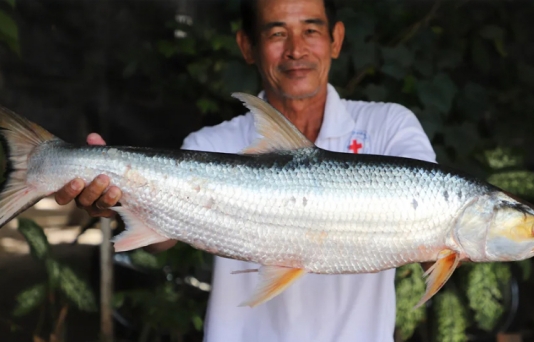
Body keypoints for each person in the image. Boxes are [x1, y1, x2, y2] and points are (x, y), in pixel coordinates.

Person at [54, 0, 436, 341]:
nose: (296, 50)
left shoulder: (391, 126)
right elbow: (162, 236)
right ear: (246, 46)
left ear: (336, 39)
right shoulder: (210, 143)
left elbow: (433, 217)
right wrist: (116, 198)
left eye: (311, 30)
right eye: (276, 33)